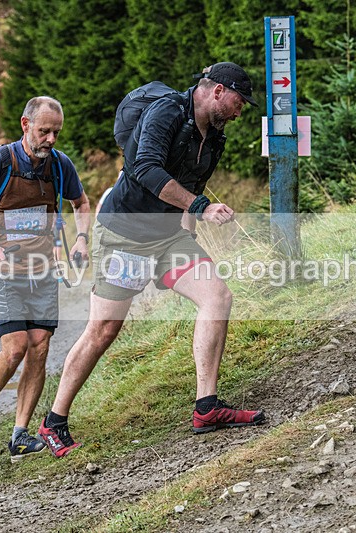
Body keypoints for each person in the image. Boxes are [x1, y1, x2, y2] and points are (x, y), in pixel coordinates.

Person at [38, 62, 266, 459]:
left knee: (217, 297)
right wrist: (201, 206)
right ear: (216, 91)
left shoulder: (214, 139)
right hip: (125, 234)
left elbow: (192, 187)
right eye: (237, 100)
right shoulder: (166, 111)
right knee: (104, 330)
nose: (239, 110)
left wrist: (190, 242)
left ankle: (207, 407)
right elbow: (143, 167)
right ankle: (53, 421)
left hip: (169, 238)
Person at [0, 96, 90, 460]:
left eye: (56, 132)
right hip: (3, 270)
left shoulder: (60, 166)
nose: (50, 139)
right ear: (25, 125)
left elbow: (81, 203)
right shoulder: (0, 161)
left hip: (44, 270)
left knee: (40, 347)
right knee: (15, 348)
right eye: (44, 130)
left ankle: (20, 433)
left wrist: (81, 238)